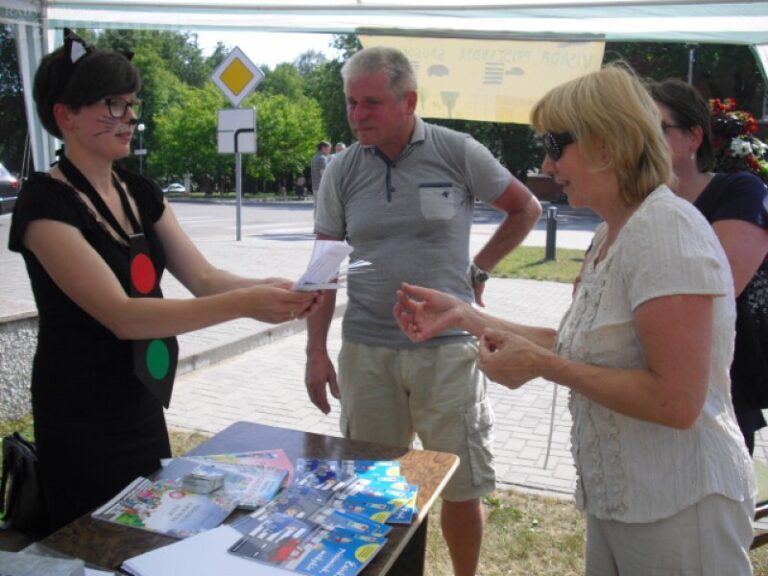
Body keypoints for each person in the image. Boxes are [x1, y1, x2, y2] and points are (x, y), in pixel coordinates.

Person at [394, 63, 756, 575]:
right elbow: (581, 342)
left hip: (678, 504)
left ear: (607, 144)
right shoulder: (615, 231)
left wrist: (544, 366)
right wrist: (464, 315)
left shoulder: (667, 232)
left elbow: (677, 402)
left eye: (556, 145)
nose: (547, 162)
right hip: (625, 499)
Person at [8, 30, 322, 533]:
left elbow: (202, 277)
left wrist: (270, 286)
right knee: (92, 540)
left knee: (147, 529)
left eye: (132, 103)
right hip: (80, 410)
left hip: (140, 397)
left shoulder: (138, 190)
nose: (130, 117)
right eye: (112, 103)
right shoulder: (45, 203)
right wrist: (246, 302)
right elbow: (123, 315)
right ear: (65, 115)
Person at [304, 45, 541, 576]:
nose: (358, 115)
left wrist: (478, 271)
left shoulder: (457, 151)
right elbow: (322, 267)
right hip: (367, 352)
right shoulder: (341, 170)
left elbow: (525, 208)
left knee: (460, 487)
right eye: (350, 103)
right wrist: (315, 350)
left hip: (447, 354)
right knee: (374, 487)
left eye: (371, 102)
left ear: (409, 100)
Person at [649, 78, 768, 454]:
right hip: (645, 383)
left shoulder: (739, 191)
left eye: (655, 128)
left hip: (722, 389)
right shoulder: (635, 204)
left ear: (693, 137)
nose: (638, 141)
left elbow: (720, 287)